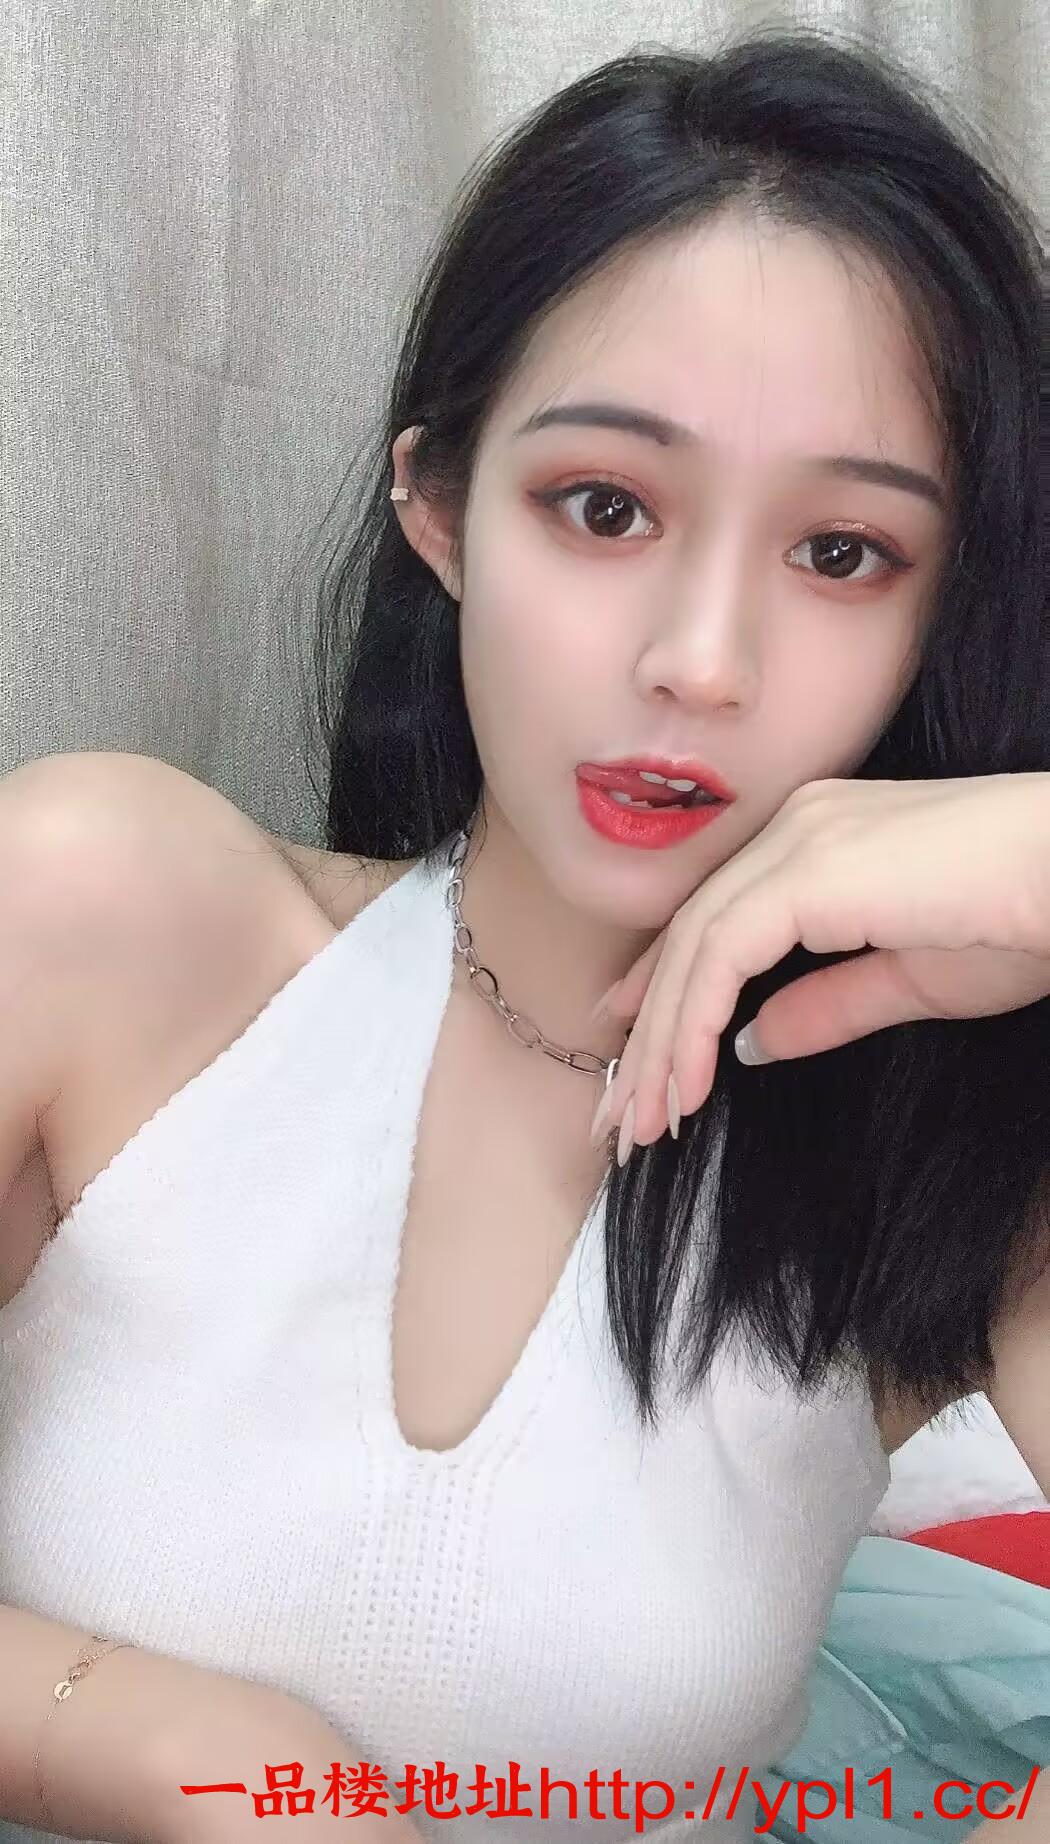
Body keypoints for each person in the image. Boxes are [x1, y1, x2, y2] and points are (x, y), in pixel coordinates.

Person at [0, 21, 1046, 1844]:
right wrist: (178, 1754)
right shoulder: (106, 911)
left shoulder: (943, 1136)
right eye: (604, 507)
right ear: (438, 509)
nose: (699, 661)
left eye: (841, 554)